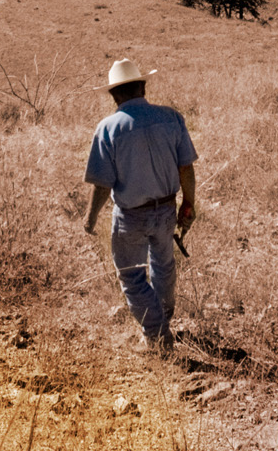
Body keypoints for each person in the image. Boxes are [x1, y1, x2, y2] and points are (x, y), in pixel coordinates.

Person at [83, 58, 197, 352]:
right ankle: (163, 319)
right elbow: (186, 167)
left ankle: (158, 337)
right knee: (164, 265)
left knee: (132, 275)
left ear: (114, 95)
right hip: (166, 209)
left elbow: (102, 184)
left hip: (131, 216)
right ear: (143, 87)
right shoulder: (172, 118)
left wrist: (90, 219)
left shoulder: (108, 128)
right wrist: (189, 204)